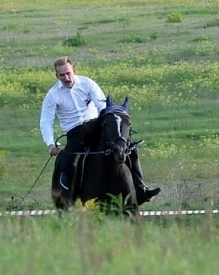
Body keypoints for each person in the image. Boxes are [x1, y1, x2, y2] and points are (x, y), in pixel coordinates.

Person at [39, 57, 157, 201]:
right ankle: (69, 199)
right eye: (62, 75)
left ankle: (141, 189)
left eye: (68, 73)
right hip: (76, 135)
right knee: (67, 163)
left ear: (74, 71)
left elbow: (102, 106)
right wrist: (50, 144)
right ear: (56, 76)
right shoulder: (52, 95)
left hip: (97, 127)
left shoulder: (87, 83)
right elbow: (46, 121)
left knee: (128, 148)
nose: (66, 77)